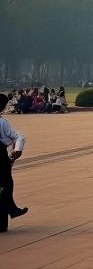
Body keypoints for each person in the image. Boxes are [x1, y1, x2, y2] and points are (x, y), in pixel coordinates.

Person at [0, 94, 28, 233]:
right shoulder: (2, 122)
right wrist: (17, 150)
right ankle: (11, 210)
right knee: (6, 185)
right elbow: (17, 137)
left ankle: (12, 210)